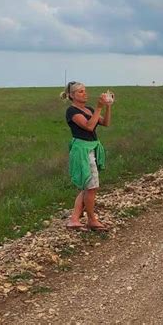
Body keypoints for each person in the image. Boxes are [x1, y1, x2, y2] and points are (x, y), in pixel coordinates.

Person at [60, 81, 114, 231]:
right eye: (80, 92)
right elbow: (89, 126)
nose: (85, 94)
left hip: (91, 147)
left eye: (85, 91)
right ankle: (91, 220)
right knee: (91, 186)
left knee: (86, 186)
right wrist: (99, 107)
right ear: (72, 95)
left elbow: (106, 123)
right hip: (82, 150)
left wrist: (108, 106)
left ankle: (74, 220)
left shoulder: (89, 109)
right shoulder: (71, 111)